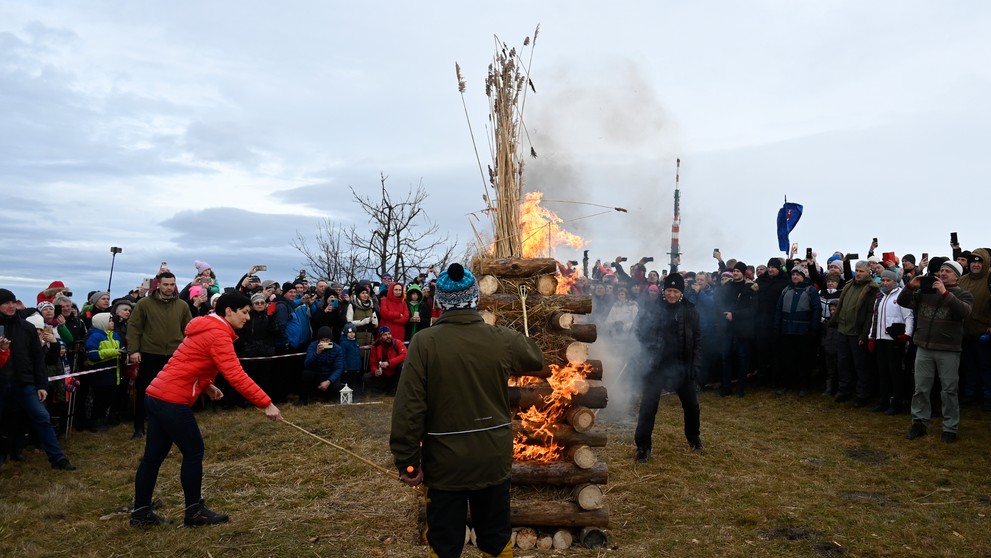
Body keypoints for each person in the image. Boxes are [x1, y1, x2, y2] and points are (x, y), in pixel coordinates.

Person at [390, 263, 544, 558]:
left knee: (445, 542)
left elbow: (409, 407)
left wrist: (408, 462)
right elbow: (534, 357)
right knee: (496, 537)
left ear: (440, 302)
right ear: (476, 300)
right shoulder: (500, 338)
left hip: (445, 464)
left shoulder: (424, 342)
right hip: (492, 459)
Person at [130, 292, 283, 527]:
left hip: (157, 395)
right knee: (193, 452)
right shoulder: (218, 334)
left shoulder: (206, 328)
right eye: (244, 312)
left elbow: (188, 362)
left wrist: (206, 384)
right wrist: (266, 403)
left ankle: (141, 513)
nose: (248, 318)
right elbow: (236, 375)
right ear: (228, 311)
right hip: (172, 400)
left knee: (153, 457)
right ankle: (194, 512)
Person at [0, 288, 76, 470]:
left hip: (24, 383)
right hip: (1, 384)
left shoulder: (26, 327)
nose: (11, 306)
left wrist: (42, 385)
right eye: (6, 303)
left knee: (42, 417)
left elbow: (37, 359)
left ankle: (57, 459)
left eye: (13, 302)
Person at [899, 261, 972, 442]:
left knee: (949, 390)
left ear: (957, 276)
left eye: (948, 271)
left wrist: (944, 293)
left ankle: (950, 428)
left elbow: (964, 312)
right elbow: (902, 301)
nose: (943, 273)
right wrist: (910, 285)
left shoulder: (964, 294)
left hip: (948, 350)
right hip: (924, 347)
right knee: (921, 388)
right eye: (942, 270)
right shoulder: (926, 292)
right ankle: (919, 423)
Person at [634, 272, 703, 463]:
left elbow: (697, 339)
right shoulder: (652, 308)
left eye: (676, 291)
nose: (672, 294)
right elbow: (639, 331)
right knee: (648, 406)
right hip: (656, 366)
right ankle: (643, 447)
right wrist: (649, 347)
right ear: (664, 292)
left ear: (681, 293)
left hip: (682, 366)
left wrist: (695, 365)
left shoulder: (690, 310)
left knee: (691, 406)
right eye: (669, 291)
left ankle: (694, 438)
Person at [127, 272, 193, 439]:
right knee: (144, 390)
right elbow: (134, 328)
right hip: (150, 353)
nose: (169, 288)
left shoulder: (182, 305)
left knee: (174, 392)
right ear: (158, 285)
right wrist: (133, 350)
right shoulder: (144, 304)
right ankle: (139, 427)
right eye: (165, 284)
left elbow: (189, 331)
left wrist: (189, 352)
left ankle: (171, 425)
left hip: (174, 355)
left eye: (172, 284)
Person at [299, 326, 344, 404]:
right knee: (306, 374)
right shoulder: (313, 346)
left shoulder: (337, 349)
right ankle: (304, 399)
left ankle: (328, 397)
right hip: (317, 374)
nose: (325, 342)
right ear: (319, 340)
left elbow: (339, 368)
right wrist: (317, 353)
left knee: (336, 386)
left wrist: (329, 381)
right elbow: (307, 364)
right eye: (323, 340)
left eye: (327, 340)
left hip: (329, 376)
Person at [367, 325, 407, 394]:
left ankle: (398, 391)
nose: (388, 336)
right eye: (385, 334)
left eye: (389, 334)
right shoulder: (375, 346)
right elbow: (373, 363)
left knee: (402, 366)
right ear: (380, 337)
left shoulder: (397, 343)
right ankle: (375, 394)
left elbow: (405, 355)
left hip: (395, 372)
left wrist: (389, 362)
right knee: (366, 377)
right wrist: (375, 371)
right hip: (383, 373)